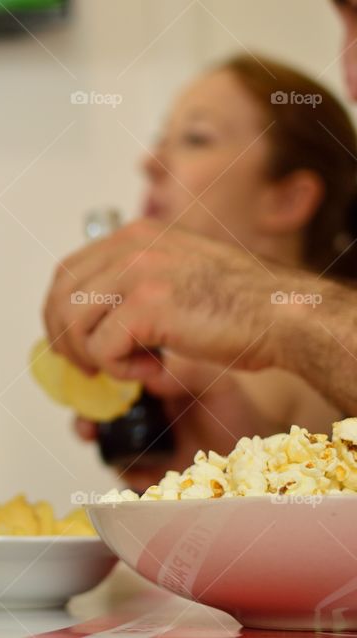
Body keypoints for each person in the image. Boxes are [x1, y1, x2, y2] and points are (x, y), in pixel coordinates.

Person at [44, 0, 357, 488]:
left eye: (195, 138)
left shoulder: (310, 370)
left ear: (288, 198)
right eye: (160, 138)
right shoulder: (178, 366)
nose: (150, 161)